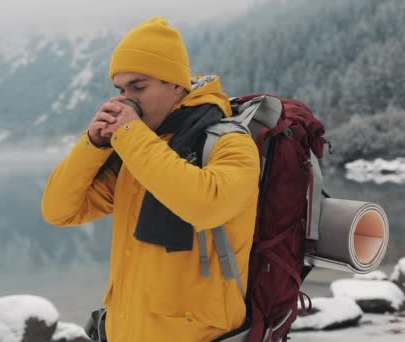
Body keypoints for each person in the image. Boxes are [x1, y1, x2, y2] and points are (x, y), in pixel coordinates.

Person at [41, 16, 260, 342]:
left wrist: (130, 134)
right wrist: (93, 144)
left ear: (176, 85)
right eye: (120, 89)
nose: (125, 99)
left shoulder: (229, 142)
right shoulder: (139, 153)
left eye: (138, 87)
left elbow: (205, 205)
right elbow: (59, 210)